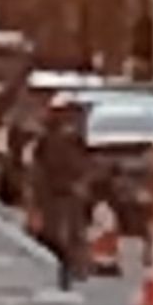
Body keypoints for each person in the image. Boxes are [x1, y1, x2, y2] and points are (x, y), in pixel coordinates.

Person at [30, 95, 91, 291]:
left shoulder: (73, 137)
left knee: (69, 233)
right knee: (52, 233)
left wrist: (81, 180)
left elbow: (83, 161)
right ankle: (69, 264)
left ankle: (71, 267)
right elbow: (40, 165)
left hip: (67, 192)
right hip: (54, 191)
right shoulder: (50, 137)